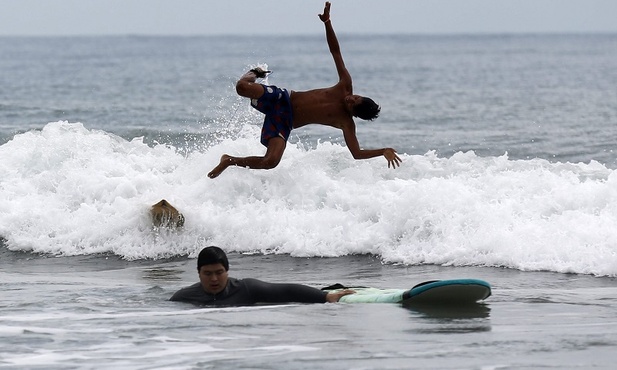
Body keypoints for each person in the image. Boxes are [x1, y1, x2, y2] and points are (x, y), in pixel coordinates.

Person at [207, 2, 401, 179]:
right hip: (282, 99)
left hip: (284, 121)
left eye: (352, 104)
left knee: (271, 162)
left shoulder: (346, 123)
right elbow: (336, 51)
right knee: (241, 87)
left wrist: (383, 150)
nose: (350, 98)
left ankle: (229, 161)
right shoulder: (345, 85)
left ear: (354, 114)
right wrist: (327, 23)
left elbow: (357, 154)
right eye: (355, 97)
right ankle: (255, 72)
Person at [170, 246, 354, 306]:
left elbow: (286, 290)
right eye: (207, 274)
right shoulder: (183, 297)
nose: (214, 279)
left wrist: (326, 296)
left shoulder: (246, 289)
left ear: (227, 271)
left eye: (219, 273)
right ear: (199, 274)